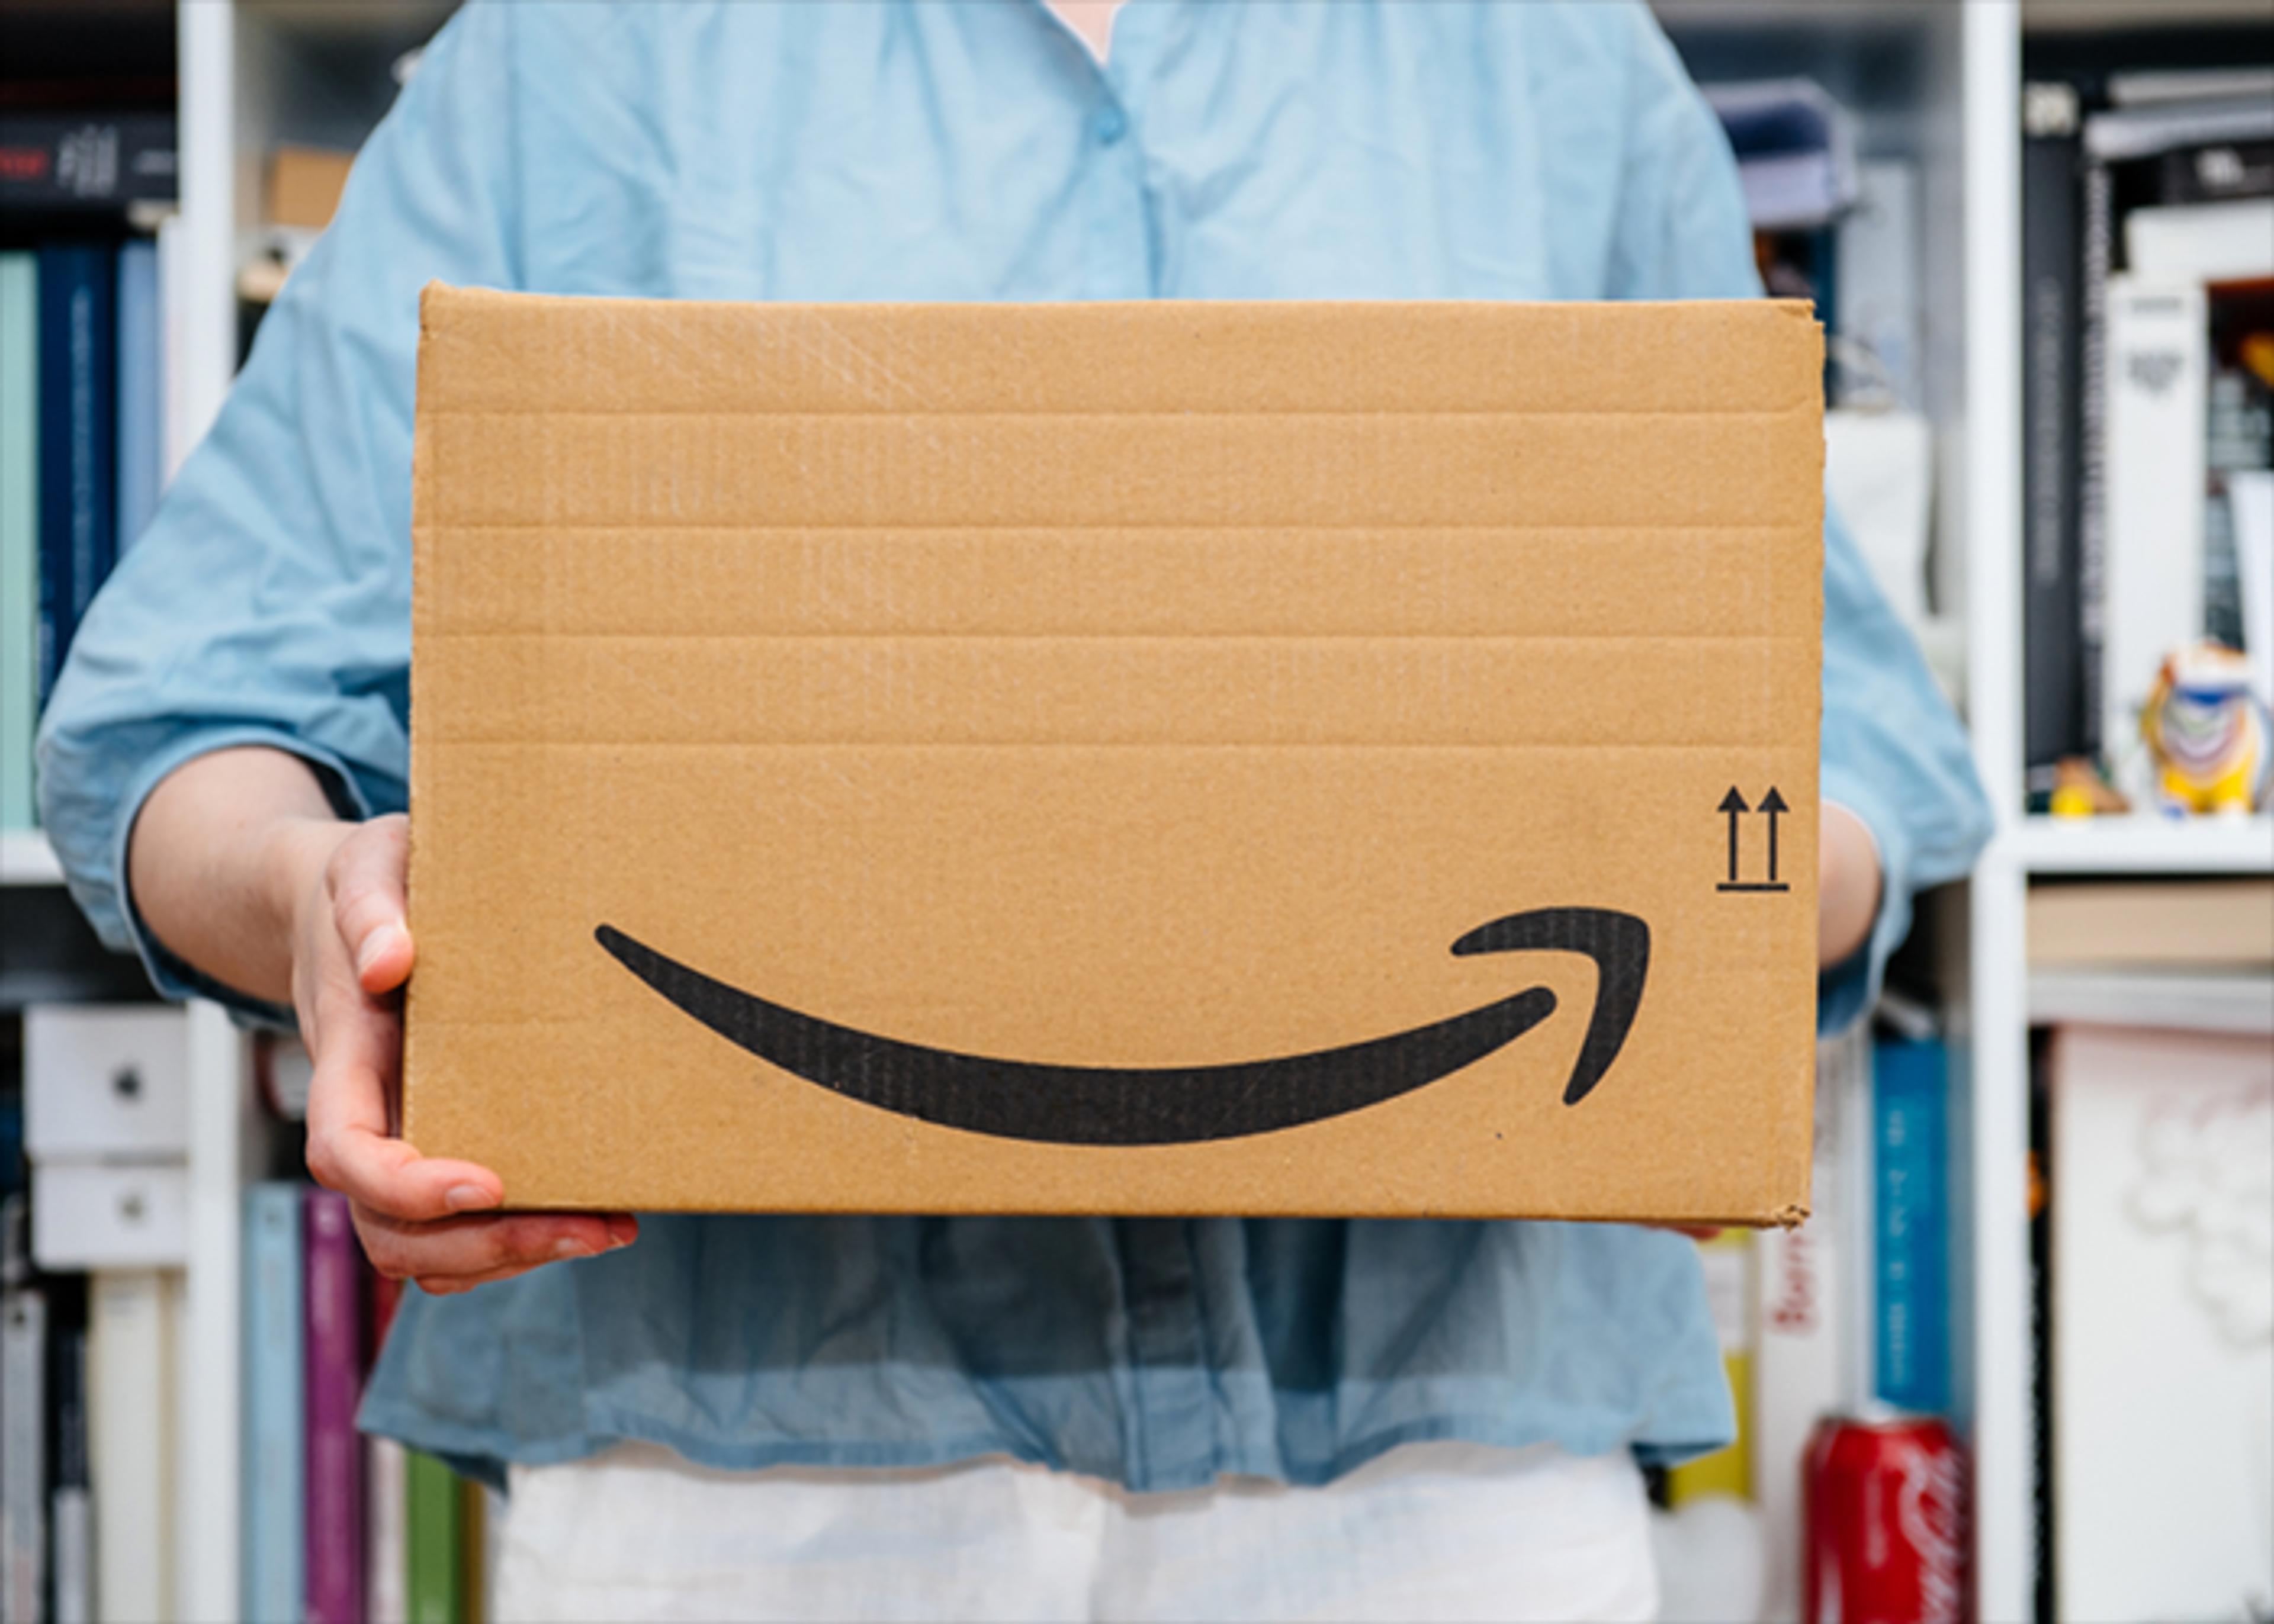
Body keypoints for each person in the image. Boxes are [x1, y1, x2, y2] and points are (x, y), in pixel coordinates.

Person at [36, 2, 1992, 1619]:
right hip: (737, 1481)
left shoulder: (1550, 60)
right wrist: (317, 895)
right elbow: (180, 730)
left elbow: (1853, 765)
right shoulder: (577, 54)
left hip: (1439, 1469)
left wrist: (1700, 929)